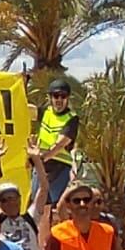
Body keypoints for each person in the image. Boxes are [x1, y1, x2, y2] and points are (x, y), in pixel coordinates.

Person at [32, 78, 81, 206]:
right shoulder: (45, 112)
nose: (59, 99)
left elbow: (60, 144)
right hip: (41, 165)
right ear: (50, 97)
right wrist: (21, 84)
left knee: (57, 206)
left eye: (63, 96)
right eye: (55, 96)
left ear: (68, 98)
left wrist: (40, 158)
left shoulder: (72, 118)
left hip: (60, 168)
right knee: (37, 204)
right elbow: (23, 108)